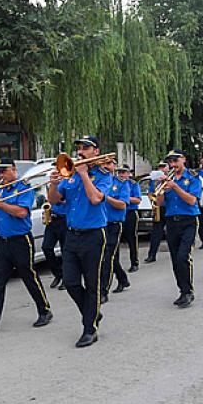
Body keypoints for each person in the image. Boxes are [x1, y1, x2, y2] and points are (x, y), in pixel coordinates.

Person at [0, 158, 52, 334]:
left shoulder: (24, 187)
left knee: (29, 277)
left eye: (3, 171)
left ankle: (44, 310)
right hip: (3, 241)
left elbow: (22, 213)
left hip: (21, 240)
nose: (1, 175)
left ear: (13, 170)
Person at [47, 135, 112, 348]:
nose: (81, 151)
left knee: (92, 284)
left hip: (94, 235)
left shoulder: (104, 175)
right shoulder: (70, 175)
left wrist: (84, 175)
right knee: (71, 282)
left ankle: (89, 329)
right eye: (79, 148)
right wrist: (54, 185)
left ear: (96, 151)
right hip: (72, 235)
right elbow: (54, 200)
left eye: (86, 148)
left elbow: (95, 199)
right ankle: (91, 313)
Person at [157, 150, 202, 307]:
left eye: (175, 160)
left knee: (184, 256)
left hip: (188, 221)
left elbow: (191, 200)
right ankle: (182, 291)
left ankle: (188, 291)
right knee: (176, 259)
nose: (173, 164)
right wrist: (161, 188)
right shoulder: (168, 179)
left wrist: (175, 187)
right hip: (171, 222)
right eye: (170, 161)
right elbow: (160, 203)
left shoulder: (193, 178)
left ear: (183, 159)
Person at [101, 162, 131, 302]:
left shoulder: (122, 183)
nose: (106, 167)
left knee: (108, 256)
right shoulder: (102, 180)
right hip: (101, 224)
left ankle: (103, 290)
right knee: (110, 256)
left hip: (114, 224)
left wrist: (106, 198)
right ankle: (123, 279)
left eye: (109, 164)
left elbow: (123, 204)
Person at [144, 160, 169, 263]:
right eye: (160, 167)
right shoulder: (154, 181)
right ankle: (152, 255)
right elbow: (150, 194)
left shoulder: (171, 179)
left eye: (164, 167)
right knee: (155, 233)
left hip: (170, 209)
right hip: (159, 208)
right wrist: (153, 203)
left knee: (172, 232)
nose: (162, 169)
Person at [41, 194, 67, 290]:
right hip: (53, 220)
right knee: (46, 247)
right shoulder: (52, 184)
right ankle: (58, 274)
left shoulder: (66, 183)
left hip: (65, 219)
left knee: (65, 251)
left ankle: (66, 278)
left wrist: (59, 200)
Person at [122, 166, 142, 272]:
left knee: (131, 239)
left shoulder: (133, 184)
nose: (121, 175)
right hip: (118, 214)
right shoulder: (114, 183)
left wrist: (124, 197)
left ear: (129, 173)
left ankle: (134, 262)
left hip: (130, 213)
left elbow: (138, 200)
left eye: (124, 172)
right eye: (119, 172)